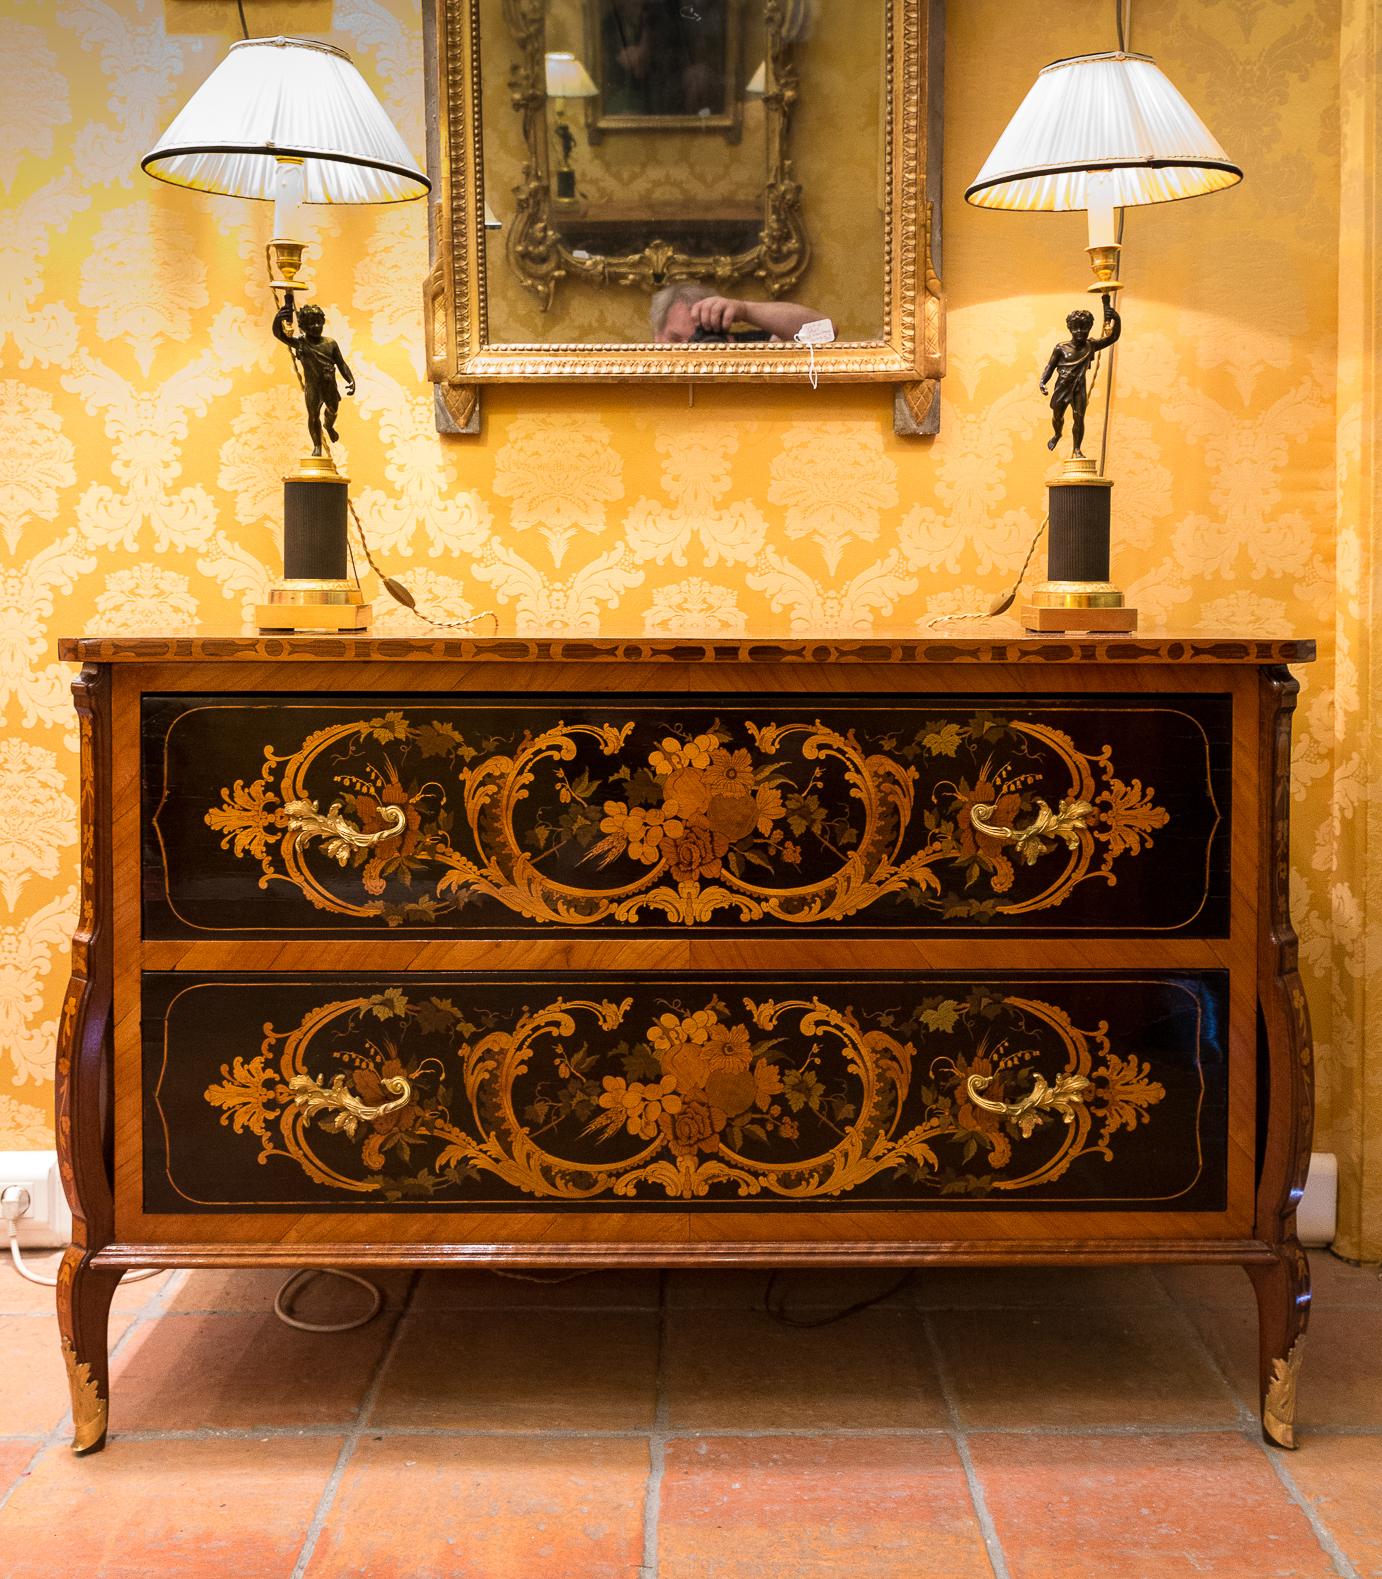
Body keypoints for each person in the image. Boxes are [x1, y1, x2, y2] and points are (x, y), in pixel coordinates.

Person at [1038, 295, 1121, 458]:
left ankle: (1077, 449)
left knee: (1079, 417)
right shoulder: (1061, 348)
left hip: (1078, 388)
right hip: (1062, 387)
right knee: (1057, 416)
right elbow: (1050, 366)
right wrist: (1042, 381)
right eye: (1076, 328)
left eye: (1083, 328)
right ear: (1070, 328)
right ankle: (1057, 434)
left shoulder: (1091, 345)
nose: (1079, 332)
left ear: (1089, 328)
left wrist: (1115, 317)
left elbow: (1113, 337)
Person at [272, 301, 355, 457]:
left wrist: (350, 379)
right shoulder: (301, 343)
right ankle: (317, 446)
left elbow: (341, 363)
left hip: (329, 385)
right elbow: (279, 334)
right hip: (313, 388)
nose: (316, 326)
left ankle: (328, 426)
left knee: (332, 410)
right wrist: (279, 318)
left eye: (318, 323)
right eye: (311, 324)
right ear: (303, 326)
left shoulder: (330, 343)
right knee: (313, 415)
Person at [651, 282, 827, 344]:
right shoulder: (639, 368)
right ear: (657, 339)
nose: (687, 349)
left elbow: (826, 332)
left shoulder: (749, 350)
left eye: (698, 338)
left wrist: (745, 310)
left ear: (727, 337)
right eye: (675, 339)